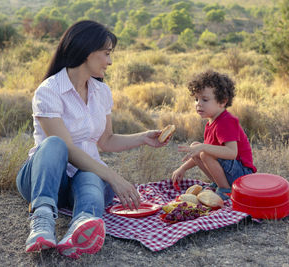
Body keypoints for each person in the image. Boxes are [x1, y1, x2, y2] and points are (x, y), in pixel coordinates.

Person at [16, 20, 168, 259]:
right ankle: (42, 221)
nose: (110, 61)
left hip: (82, 181)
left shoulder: (101, 92)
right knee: (55, 144)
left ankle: (82, 227)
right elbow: (67, 149)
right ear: (87, 51)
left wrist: (143, 138)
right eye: (106, 54)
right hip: (44, 177)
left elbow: (105, 141)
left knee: (89, 174)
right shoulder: (49, 91)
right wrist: (113, 177)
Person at [171, 70, 257, 200]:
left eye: (204, 99)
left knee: (204, 151)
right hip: (231, 172)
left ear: (222, 102)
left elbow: (231, 152)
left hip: (243, 175)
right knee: (197, 147)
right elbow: (202, 153)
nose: (198, 104)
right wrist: (182, 168)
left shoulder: (227, 121)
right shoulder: (211, 123)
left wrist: (203, 148)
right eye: (196, 99)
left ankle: (226, 190)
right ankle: (219, 184)